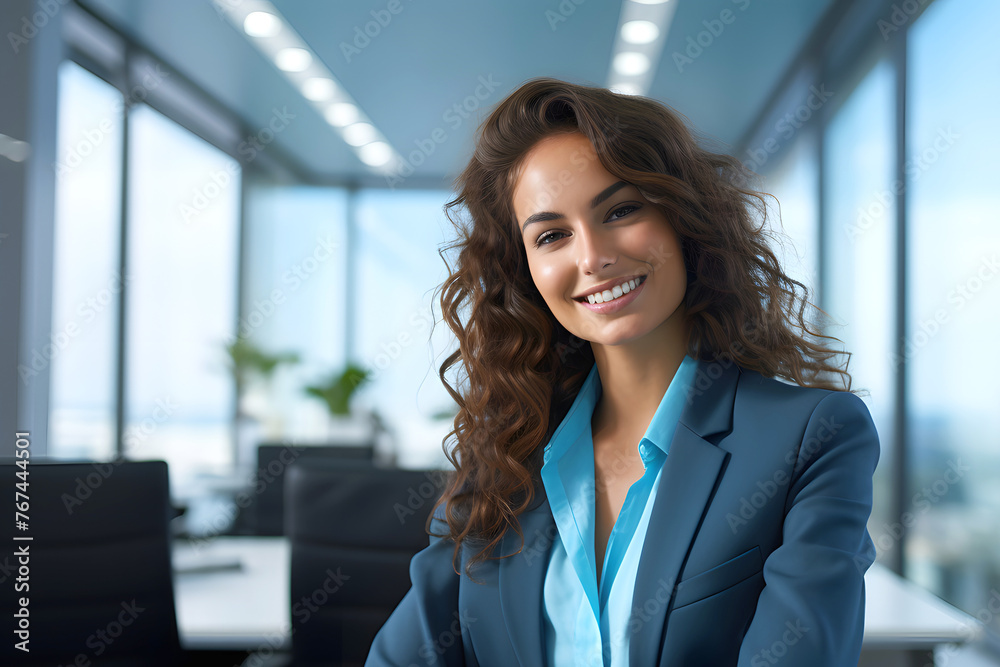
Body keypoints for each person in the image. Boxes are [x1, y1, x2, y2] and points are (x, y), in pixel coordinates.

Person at [365, 77, 880, 667]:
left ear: (684, 219)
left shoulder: (810, 438)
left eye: (622, 209)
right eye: (552, 235)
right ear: (525, 269)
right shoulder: (506, 455)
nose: (592, 257)